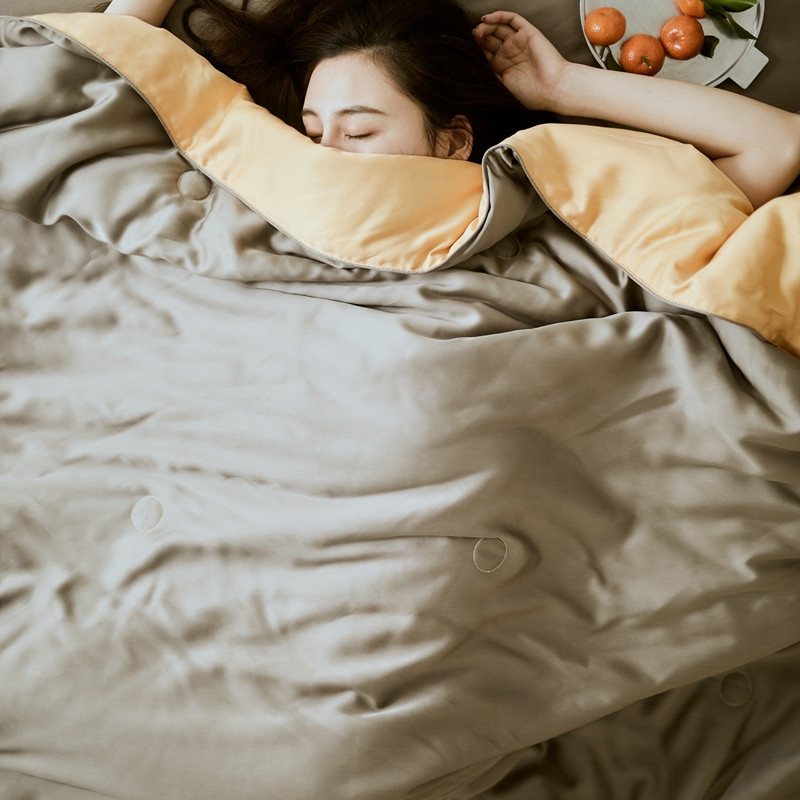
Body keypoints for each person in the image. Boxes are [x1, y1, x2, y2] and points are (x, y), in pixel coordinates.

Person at [103, 0, 800, 207]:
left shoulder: (543, 215)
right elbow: (93, 74)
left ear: (453, 142)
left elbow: (778, 144)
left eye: (359, 131)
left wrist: (564, 88)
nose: (325, 156)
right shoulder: (269, 195)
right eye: (313, 133)